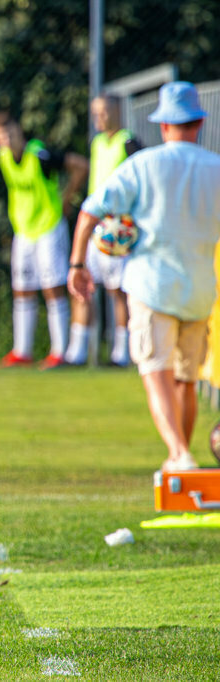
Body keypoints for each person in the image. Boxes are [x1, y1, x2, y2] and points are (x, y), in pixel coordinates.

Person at [68, 81, 220, 472]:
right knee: (186, 381)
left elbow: (90, 210)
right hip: (201, 288)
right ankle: (180, 461)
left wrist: (77, 265)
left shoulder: (144, 163)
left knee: (156, 372)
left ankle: (178, 453)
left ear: (164, 125)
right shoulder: (216, 168)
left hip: (152, 285)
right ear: (199, 123)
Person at [0, 111, 89, 370]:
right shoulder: (1, 157)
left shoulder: (40, 155)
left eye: (10, 133)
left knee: (52, 287)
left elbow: (80, 165)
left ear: (19, 131)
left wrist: (67, 198)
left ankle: (59, 352)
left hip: (48, 227)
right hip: (23, 231)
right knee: (21, 289)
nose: (8, 140)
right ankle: (22, 350)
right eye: (1, 137)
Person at [63, 95, 141, 367]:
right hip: (94, 227)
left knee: (117, 292)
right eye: (96, 113)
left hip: (117, 229)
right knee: (82, 286)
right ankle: (76, 353)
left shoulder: (129, 142)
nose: (100, 118)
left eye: (105, 112)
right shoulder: (97, 143)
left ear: (118, 111)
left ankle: (122, 354)